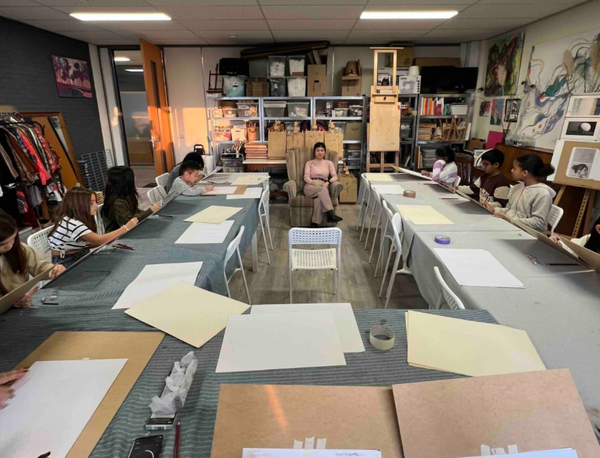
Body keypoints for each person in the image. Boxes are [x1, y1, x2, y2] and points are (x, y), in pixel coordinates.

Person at [48, 187, 138, 268]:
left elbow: (90, 242)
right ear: (79, 205)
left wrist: (111, 239)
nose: (96, 206)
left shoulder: (73, 219)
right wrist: (125, 228)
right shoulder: (73, 224)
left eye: (95, 202)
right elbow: (99, 240)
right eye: (91, 203)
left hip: (77, 253)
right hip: (67, 261)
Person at [0, 212, 65, 308]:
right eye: (2, 244)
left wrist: (53, 270)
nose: (10, 246)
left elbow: (40, 266)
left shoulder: (20, 249)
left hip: (21, 306)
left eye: (13, 239)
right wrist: (10, 302)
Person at [483, 154, 556, 232]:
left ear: (525, 173)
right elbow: (509, 209)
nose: (512, 170)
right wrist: (494, 210)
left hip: (528, 233)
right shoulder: (517, 187)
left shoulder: (543, 194)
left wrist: (511, 220)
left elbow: (538, 222)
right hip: (510, 226)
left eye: (514, 168)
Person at [102, 166, 161, 232]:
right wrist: (150, 211)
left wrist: (150, 212)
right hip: (120, 235)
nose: (134, 179)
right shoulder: (116, 203)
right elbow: (129, 223)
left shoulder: (126, 195)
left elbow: (136, 212)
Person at [303, 142, 343, 227]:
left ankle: (315, 224)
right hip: (310, 186)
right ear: (314, 152)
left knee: (318, 199)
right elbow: (306, 177)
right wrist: (314, 184)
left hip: (323, 185)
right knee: (323, 190)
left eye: (322, 150)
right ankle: (330, 214)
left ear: (324, 152)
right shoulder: (309, 163)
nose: (320, 152)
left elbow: (335, 176)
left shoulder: (329, 163)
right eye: (317, 150)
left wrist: (328, 182)